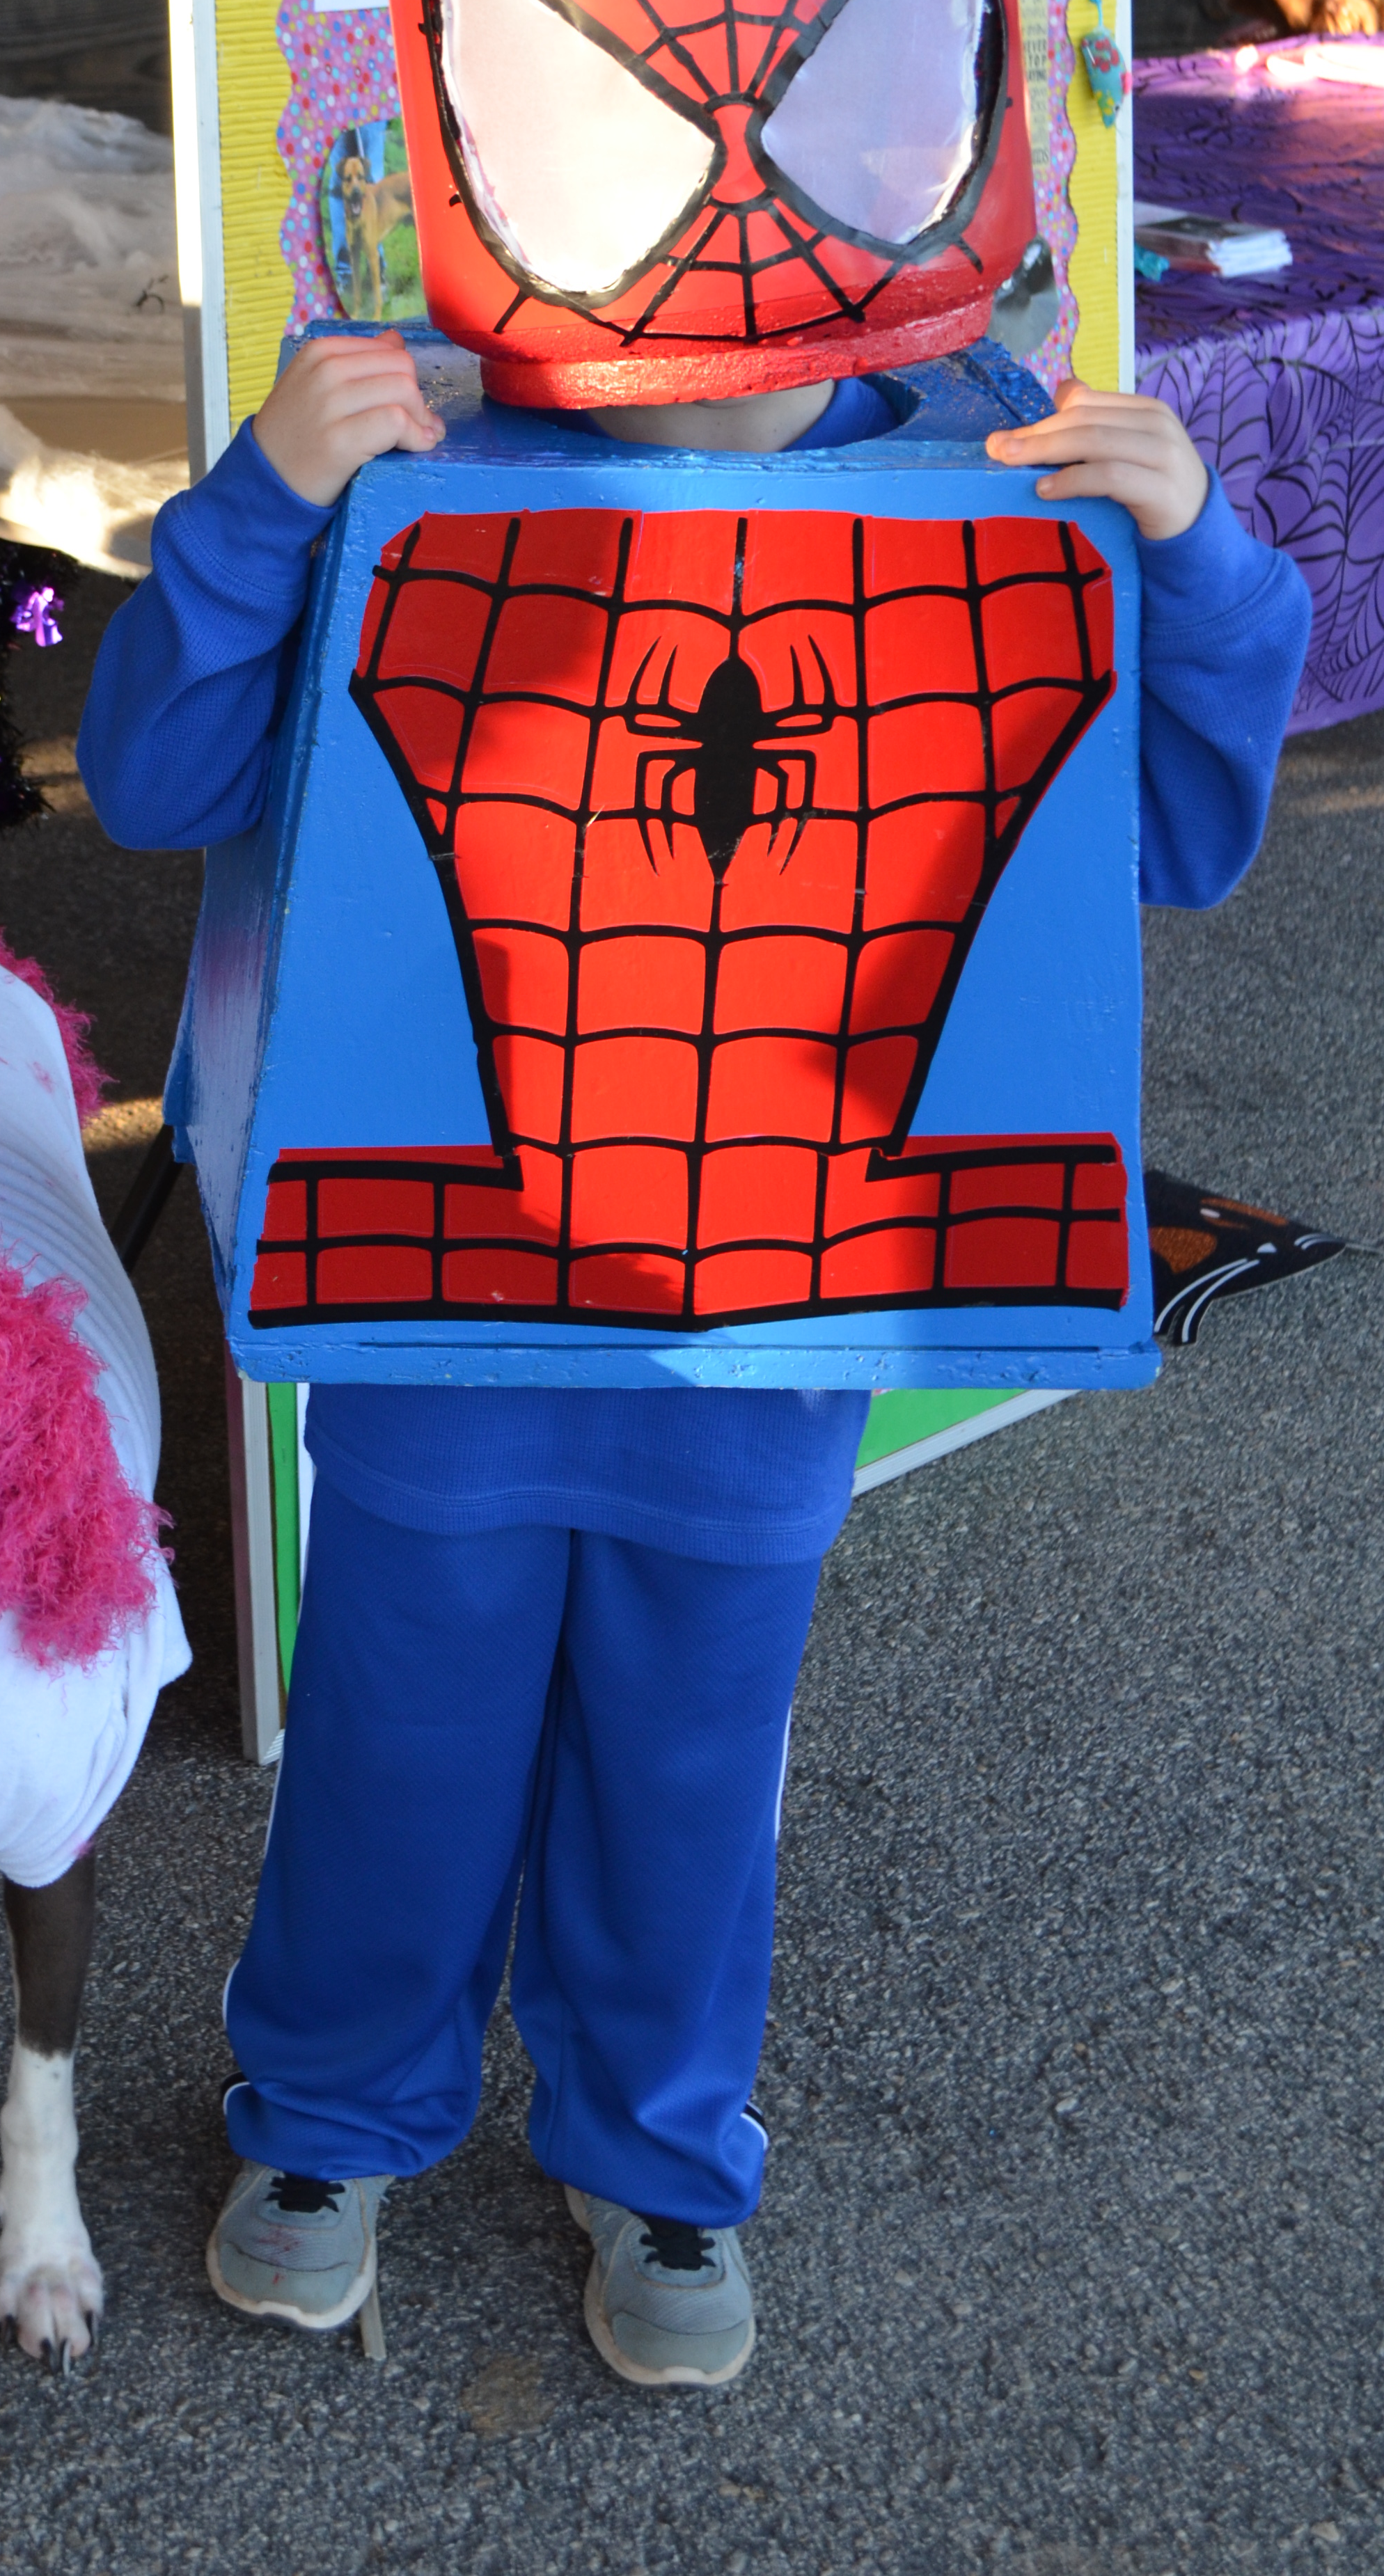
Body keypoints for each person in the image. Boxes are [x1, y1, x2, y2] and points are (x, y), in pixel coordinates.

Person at [77, 324, 1311, 2390]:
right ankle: (332, 2117)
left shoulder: (997, 470)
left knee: (690, 1770)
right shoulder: (399, 442)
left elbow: (1176, 839)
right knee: (402, 1749)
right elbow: (153, 774)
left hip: (775, 1325)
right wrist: (259, 506)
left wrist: (1190, 560)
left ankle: (658, 2151)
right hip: (442, 1317)